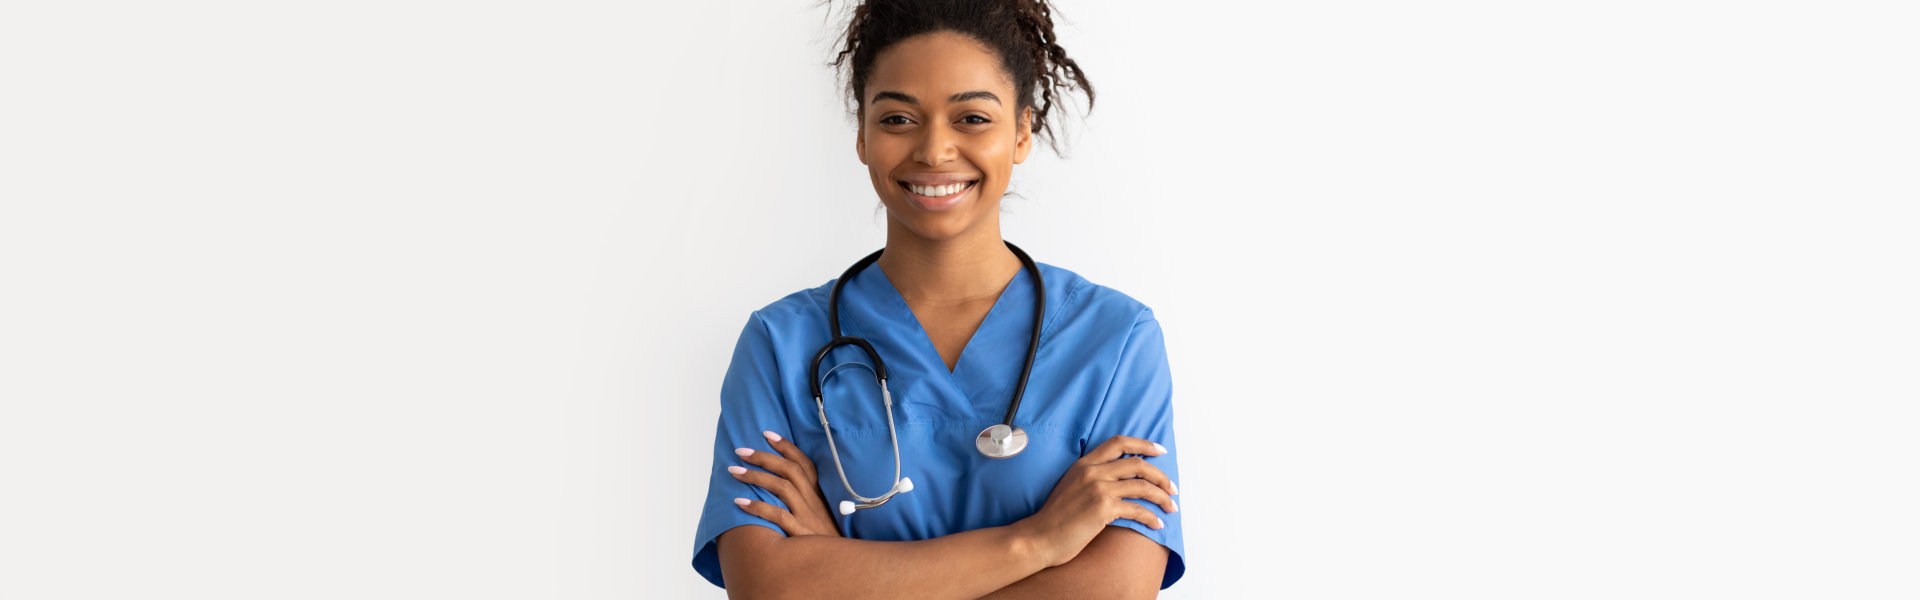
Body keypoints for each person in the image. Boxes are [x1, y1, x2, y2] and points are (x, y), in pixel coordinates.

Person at [690, 1, 1184, 597]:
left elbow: (1118, 589)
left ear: (1022, 131)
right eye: (898, 119)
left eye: (972, 117)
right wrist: (1040, 541)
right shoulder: (779, 343)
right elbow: (770, 586)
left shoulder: (1114, 340)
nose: (933, 150)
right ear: (862, 135)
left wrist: (842, 568)